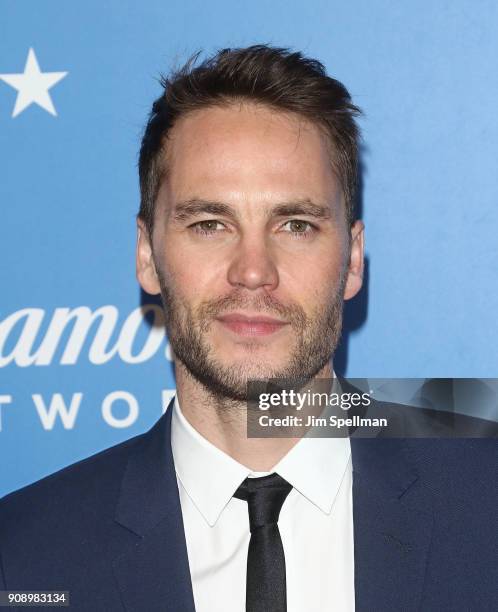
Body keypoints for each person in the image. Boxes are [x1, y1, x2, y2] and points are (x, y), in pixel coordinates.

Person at [0, 45, 496, 612]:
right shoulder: (25, 557)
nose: (254, 271)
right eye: (210, 224)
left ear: (353, 259)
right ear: (146, 254)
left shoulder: (487, 500)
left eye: (295, 224)